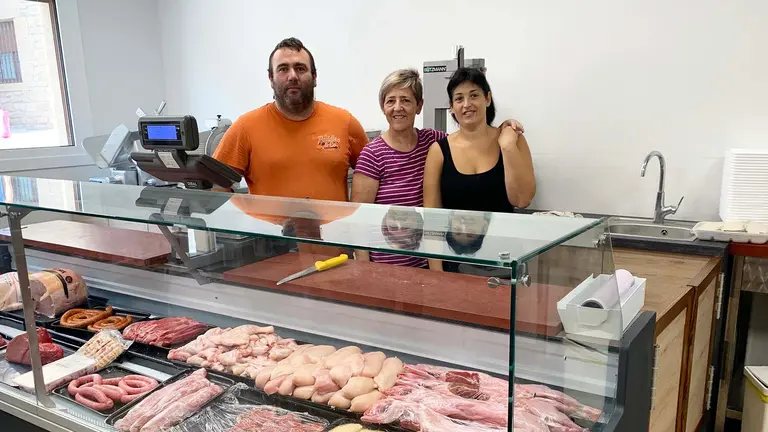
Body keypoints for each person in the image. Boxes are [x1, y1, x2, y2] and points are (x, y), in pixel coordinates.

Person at [351, 68, 521, 267]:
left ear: (419, 105)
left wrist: (504, 128)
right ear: (383, 106)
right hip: (387, 266)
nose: (398, 108)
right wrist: (363, 270)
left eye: (406, 100)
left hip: (429, 263)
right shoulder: (373, 154)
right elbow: (359, 222)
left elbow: (468, 139)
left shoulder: (433, 141)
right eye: (391, 101)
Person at [213, 37, 369, 201]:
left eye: (300, 68)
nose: (293, 76)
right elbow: (216, 188)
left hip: (334, 227)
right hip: (268, 227)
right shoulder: (245, 127)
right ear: (271, 79)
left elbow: (375, 174)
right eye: (283, 69)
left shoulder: (345, 122)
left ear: (314, 77)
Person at [424, 67, 536, 271]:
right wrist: (436, 273)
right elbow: (433, 221)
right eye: (459, 99)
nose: (467, 104)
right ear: (451, 106)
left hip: (503, 261)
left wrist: (507, 146)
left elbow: (522, 199)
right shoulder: (439, 151)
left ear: (487, 98)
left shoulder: (512, 141)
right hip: (455, 263)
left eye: (474, 95)